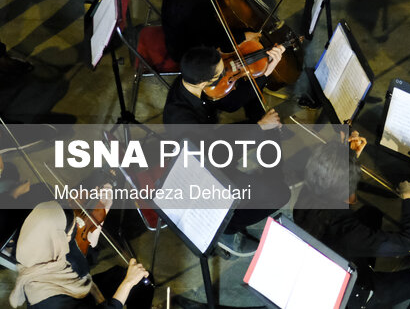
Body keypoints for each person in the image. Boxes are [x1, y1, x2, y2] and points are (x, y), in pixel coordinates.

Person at [293, 132, 410, 309]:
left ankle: (368, 264)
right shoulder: (349, 232)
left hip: (326, 262)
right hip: (353, 293)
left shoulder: (307, 194)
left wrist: (347, 158)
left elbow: (329, 175)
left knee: (371, 214)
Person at [163, 46, 290, 256]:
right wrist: (258, 128)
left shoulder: (192, 82)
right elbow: (217, 154)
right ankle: (226, 229)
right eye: (221, 73)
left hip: (212, 144)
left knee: (269, 129)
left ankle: (269, 182)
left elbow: (230, 102)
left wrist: (265, 73)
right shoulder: (181, 120)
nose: (229, 72)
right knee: (281, 195)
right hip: (206, 171)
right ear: (204, 82)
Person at [9, 201, 150, 309]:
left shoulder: (41, 246)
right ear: (58, 237)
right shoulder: (51, 302)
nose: (70, 237)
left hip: (79, 289)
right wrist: (128, 282)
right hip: (77, 298)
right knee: (137, 281)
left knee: (138, 280)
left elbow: (82, 258)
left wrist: (101, 213)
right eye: (70, 233)